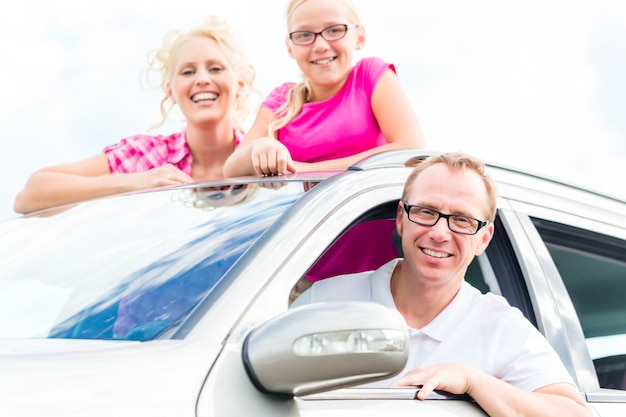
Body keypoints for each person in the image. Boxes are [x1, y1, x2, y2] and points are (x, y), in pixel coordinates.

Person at [291, 152, 592, 417]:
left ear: (483, 238)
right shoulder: (326, 301)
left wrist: (473, 381)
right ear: (400, 218)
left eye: (462, 220)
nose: (439, 232)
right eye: (426, 211)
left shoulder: (499, 326)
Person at [13, 16, 256, 215]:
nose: (202, 79)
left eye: (215, 68)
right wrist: (136, 182)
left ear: (241, 83)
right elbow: (29, 197)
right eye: (187, 71)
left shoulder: (263, 155)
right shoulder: (146, 156)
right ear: (170, 90)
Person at [223, 0, 425, 177]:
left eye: (335, 30)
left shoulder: (370, 76)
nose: (320, 45)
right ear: (290, 47)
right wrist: (258, 148)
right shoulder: (281, 101)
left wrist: (302, 171)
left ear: (360, 36)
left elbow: (411, 150)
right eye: (304, 35)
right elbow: (231, 169)